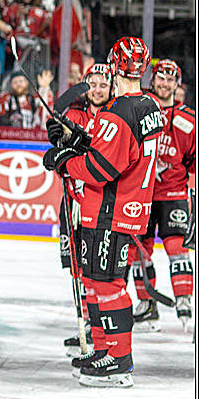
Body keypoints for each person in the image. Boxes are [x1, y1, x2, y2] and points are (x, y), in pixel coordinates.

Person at [44, 37, 162, 387]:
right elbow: (123, 150)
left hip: (110, 209)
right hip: (128, 207)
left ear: (113, 65)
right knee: (95, 280)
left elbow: (100, 169)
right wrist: (85, 141)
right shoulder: (149, 104)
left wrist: (66, 161)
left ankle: (119, 358)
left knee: (107, 284)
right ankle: (102, 346)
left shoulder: (119, 110)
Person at [131, 59, 194, 333]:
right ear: (152, 80)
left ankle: (184, 299)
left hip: (174, 194)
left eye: (170, 79)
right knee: (137, 251)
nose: (165, 84)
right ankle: (147, 304)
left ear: (177, 85)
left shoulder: (189, 121)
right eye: (160, 78)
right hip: (141, 194)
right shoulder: (138, 110)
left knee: (177, 248)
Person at [60, 63, 113, 352]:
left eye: (103, 84)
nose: (97, 89)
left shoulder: (115, 116)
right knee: (77, 269)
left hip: (101, 204)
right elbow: (58, 147)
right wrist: (59, 139)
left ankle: (102, 327)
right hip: (71, 202)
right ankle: (87, 325)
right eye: (92, 83)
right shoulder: (75, 115)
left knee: (99, 270)